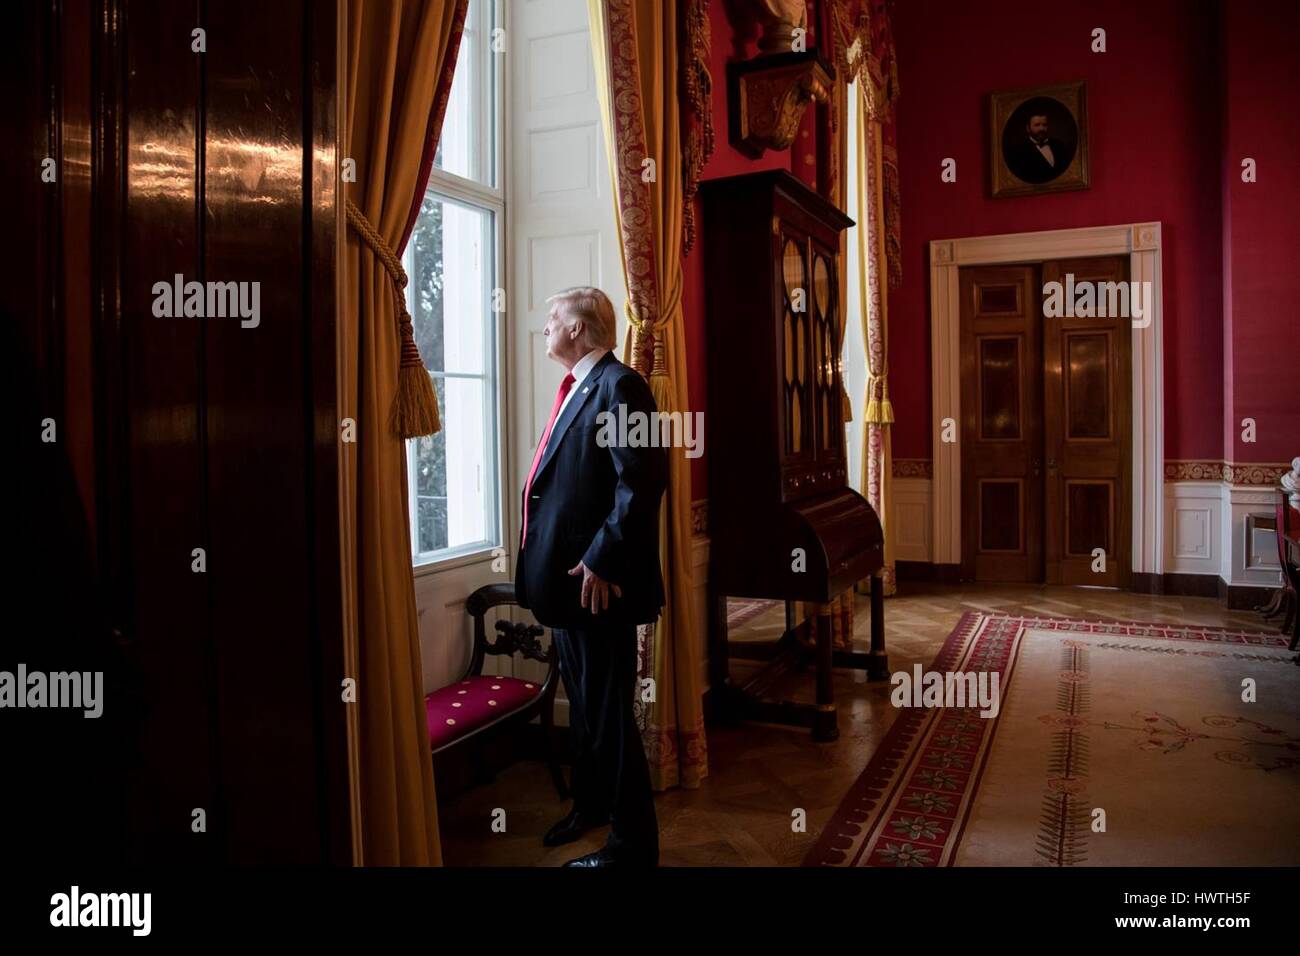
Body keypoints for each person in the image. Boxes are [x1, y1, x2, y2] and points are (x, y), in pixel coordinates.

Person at [513, 286, 667, 867]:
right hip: (568, 587)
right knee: (584, 710)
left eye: (554, 318)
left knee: (607, 715)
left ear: (578, 329)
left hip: (596, 585)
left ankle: (633, 847)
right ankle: (592, 805)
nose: (546, 326)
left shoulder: (621, 385)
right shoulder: (580, 387)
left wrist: (602, 557)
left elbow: (642, 482)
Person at [1005, 110, 1075, 184]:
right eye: (1037, 125)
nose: (1041, 128)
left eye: (1044, 125)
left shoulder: (1059, 145)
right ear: (1028, 128)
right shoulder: (1018, 152)